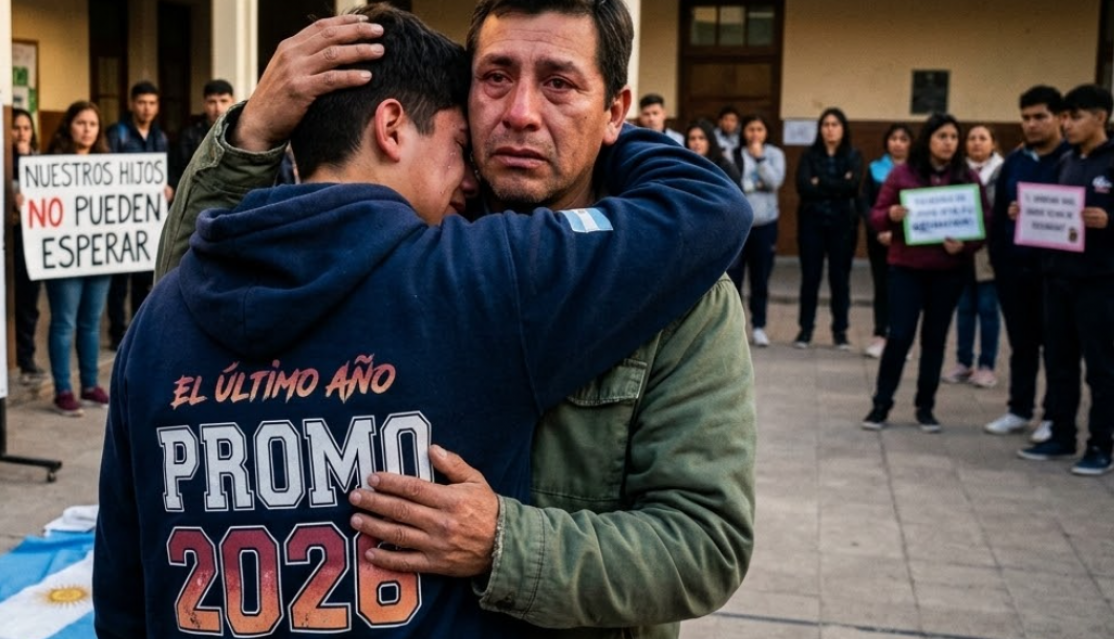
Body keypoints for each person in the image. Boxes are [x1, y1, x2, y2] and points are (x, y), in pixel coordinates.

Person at [94, 7, 751, 638]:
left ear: (614, 110)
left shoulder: (677, 286)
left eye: (559, 84)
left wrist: (506, 543)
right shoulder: (438, 243)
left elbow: (705, 542)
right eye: (495, 78)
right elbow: (199, 301)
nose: (520, 112)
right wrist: (251, 134)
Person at [1017, 84, 1114, 475]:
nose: (1067, 124)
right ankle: (1061, 434)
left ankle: (1100, 445)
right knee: (1059, 358)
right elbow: (1055, 212)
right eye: (1064, 116)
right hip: (1059, 275)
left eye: (1076, 116)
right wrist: (1028, 212)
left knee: (1099, 363)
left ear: (1100, 117)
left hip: (1101, 279)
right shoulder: (1067, 162)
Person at [862, 113, 987, 432]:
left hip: (948, 273)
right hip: (906, 269)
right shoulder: (903, 174)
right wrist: (890, 214)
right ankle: (881, 405)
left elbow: (983, 224)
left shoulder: (967, 177)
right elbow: (876, 216)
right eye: (941, 136)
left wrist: (966, 245)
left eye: (953, 137)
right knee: (899, 336)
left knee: (935, 339)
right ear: (928, 139)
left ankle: (925, 407)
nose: (948, 143)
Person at [983, 85, 1067, 441]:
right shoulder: (1015, 163)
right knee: (1022, 344)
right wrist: (1000, 264)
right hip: (1015, 270)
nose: (1031, 125)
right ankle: (1019, 409)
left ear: (1060, 118)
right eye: (1026, 118)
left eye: (1040, 117)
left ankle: (1053, 415)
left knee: (1057, 346)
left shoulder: (1071, 161)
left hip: (1056, 273)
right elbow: (999, 214)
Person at [41, 102, 113, 416]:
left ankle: (89, 385)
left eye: (93, 124)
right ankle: (63, 390)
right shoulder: (51, 164)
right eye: (81, 122)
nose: (87, 129)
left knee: (91, 323)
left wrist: (156, 192)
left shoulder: (109, 165)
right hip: (64, 256)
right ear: (69, 125)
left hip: (99, 255)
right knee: (64, 322)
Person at [105, 80, 172, 350]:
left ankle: (137, 329)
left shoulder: (160, 137)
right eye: (142, 102)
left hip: (147, 221)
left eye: (152, 103)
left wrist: (168, 188)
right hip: (120, 219)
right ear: (132, 104)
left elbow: (163, 172)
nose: (147, 108)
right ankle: (117, 333)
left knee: (145, 279)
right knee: (119, 281)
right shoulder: (116, 134)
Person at [794, 107, 863, 349]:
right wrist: (837, 184)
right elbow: (804, 186)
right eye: (825, 124)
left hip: (843, 225)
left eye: (835, 124)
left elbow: (853, 186)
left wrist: (820, 182)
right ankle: (805, 330)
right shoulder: (809, 155)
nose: (830, 129)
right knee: (810, 278)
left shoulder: (854, 156)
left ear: (843, 129)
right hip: (812, 224)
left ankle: (840, 332)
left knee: (840, 279)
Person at [945, 124, 1004, 387]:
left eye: (983, 138)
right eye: (971, 138)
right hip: (960, 252)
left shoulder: (1003, 172)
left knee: (988, 309)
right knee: (965, 309)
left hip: (990, 251)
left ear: (993, 143)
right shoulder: (956, 171)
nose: (976, 143)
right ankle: (963, 362)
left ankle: (987, 365)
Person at [728, 113, 785, 347]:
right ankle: (735, 327)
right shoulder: (734, 154)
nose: (754, 134)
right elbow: (736, 185)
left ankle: (759, 325)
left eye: (759, 130)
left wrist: (760, 160)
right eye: (750, 129)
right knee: (735, 278)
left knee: (760, 278)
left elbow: (774, 182)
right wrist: (756, 184)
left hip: (766, 225)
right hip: (739, 226)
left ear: (766, 132)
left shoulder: (774, 155)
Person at [860, 124, 913, 359]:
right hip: (879, 240)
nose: (898, 143)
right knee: (882, 288)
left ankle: (901, 340)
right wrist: (878, 230)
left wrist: (899, 234)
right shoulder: (874, 169)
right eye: (894, 138)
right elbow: (866, 204)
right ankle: (881, 335)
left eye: (903, 139)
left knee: (904, 292)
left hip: (907, 243)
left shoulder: (916, 172)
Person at [10, 108, 46, 385]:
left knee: (28, 304)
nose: (21, 133)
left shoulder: (39, 162)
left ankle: (27, 359)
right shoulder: (6, 162)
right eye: (16, 127)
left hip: (31, 243)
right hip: (10, 241)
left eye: (26, 128)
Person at [170, 78, 234, 185]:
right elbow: (182, 172)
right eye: (212, 102)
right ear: (204, 104)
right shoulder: (190, 135)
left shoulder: (239, 132)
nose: (218, 108)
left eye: (223, 101)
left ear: (232, 101)